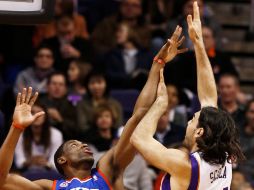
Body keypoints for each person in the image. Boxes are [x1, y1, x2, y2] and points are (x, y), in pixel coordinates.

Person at [0, 26, 187, 189]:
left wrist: (157, 65)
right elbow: (2, 181)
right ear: (62, 160)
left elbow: (139, 116)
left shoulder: (107, 171)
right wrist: (16, 128)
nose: (83, 144)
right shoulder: (49, 187)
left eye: (81, 143)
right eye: (74, 144)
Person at [130, 2, 245, 190]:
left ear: (200, 132)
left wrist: (160, 104)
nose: (189, 122)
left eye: (193, 119)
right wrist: (199, 44)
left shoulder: (185, 165)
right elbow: (208, 97)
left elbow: (139, 139)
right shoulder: (223, 154)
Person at [15, 103, 63, 171]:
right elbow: (19, 161)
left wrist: (45, 163)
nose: (36, 115)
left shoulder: (56, 134)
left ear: (46, 116)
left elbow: (55, 163)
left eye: (39, 112)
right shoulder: (20, 134)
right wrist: (29, 162)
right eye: (32, 112)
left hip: (49, 173)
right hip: (26, 173)